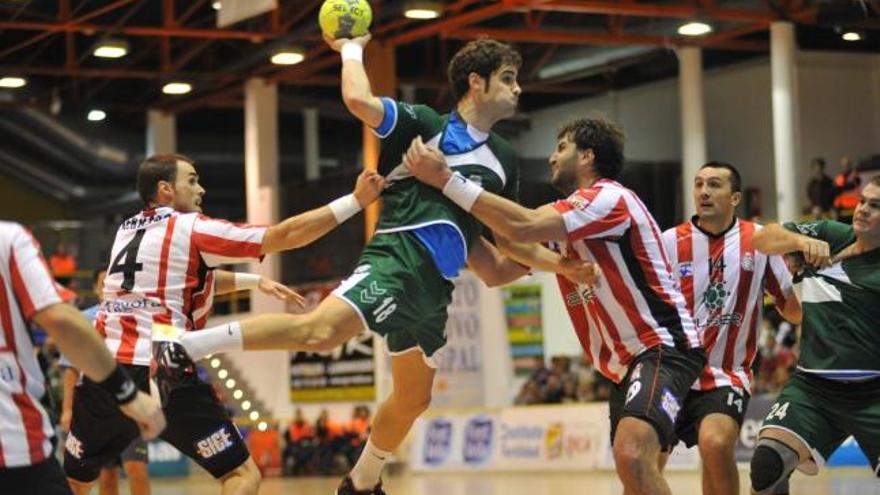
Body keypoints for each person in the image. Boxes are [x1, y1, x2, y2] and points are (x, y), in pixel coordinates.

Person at [167, 35, 598, 495]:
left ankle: (362, 481)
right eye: (507, 79)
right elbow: (357, 99)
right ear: (476, 82)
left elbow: (504, 249)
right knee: (321, 332)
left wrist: (562, 267)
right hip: (398, 256)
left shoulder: (505, 158)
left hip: (437, 288)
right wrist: (352, 47)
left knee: (415, 397)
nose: (517, 90)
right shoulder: (428, 124)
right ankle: (187, 345)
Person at [403, 116, 705, 495]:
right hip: (624, 365)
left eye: (561, 147)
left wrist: (449, 180)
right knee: (636, 475)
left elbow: (522, 227)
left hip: (663, 345)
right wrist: (455, 214)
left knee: (631, 455)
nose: (550, 157)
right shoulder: (566, 223)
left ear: (587, 156)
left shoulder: (608, 198)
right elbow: (497, 269)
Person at [62, 153, 383, 495]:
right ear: (165, 189)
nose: (200, 189)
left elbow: (186, 278)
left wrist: (253, 281)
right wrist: (356, 201)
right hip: (161, 364)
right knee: (242, 476)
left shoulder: (125, 232)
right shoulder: (193, 227)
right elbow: (285, 235)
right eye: (192, 180)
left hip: (103, 370)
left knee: (78, 479)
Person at [661, 162, 799, 495]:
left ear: (735, 197)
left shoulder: (760, 239)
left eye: (714, 184)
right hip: (669, 372)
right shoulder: (668, 242)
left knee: (716, 443)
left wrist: (816, 281)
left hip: (726, 373)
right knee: (642, 461)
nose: (704, 191)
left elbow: (792, 311)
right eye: (698, 184)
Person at [0, 221, 164, 494]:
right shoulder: (9, 239)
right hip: (86, 409)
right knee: (91, 478)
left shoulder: (140, 319)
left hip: (123, 409)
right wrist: (127, 395)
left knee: (136, 470)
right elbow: (67, 351)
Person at [747, 175, 880, 494]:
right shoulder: (831, 233)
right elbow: (763, 238)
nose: (861, 209)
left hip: (875, 392)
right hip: (813, 389)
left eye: (875, 206)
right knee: (767, 466)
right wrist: (799, 242)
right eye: (862, 201)